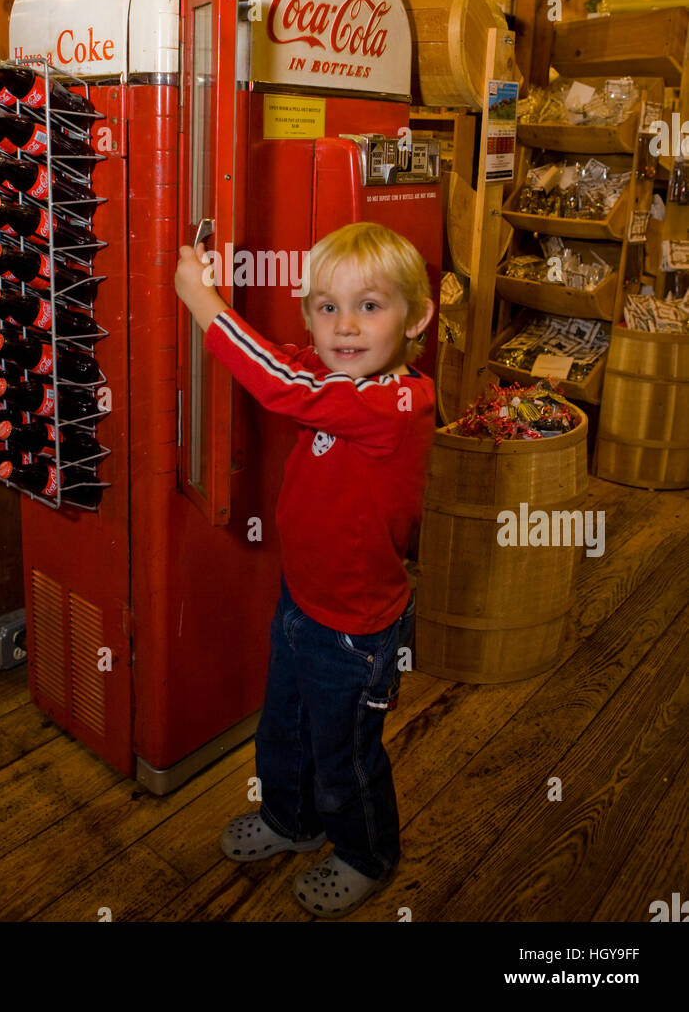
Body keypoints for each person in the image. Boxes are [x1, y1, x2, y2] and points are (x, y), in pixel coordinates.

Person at [174, 221, 435, 918]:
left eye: (370, 307)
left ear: (418, 318)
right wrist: (219, 296)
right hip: (303, 598)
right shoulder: (332, 373)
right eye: (327, 308)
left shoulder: (396, 403)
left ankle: (365, 853)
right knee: (283, 724)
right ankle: (292, 820)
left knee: (347, 753)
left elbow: (278, 384)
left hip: (356, 628)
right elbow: (286, 364)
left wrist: (203, 302)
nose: (345, 327)